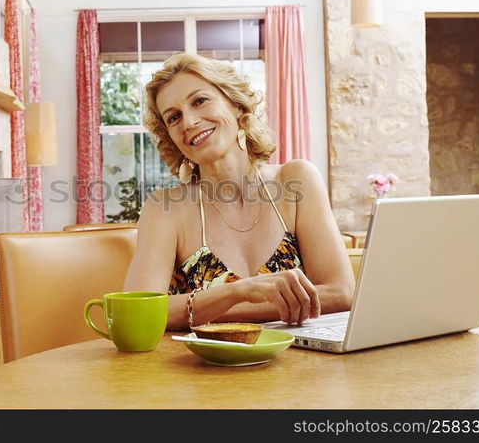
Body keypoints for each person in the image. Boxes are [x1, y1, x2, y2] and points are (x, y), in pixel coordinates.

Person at [123, 53, 355, 331]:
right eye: (174, 117)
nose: (189, 122)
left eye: (199, 101)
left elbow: (341, 293)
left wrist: (210, 309)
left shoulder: (296, 180)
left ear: (234, 104)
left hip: (303, 366)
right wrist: (239, 291)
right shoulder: (165, 208)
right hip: (207, 371)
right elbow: (140, 311)